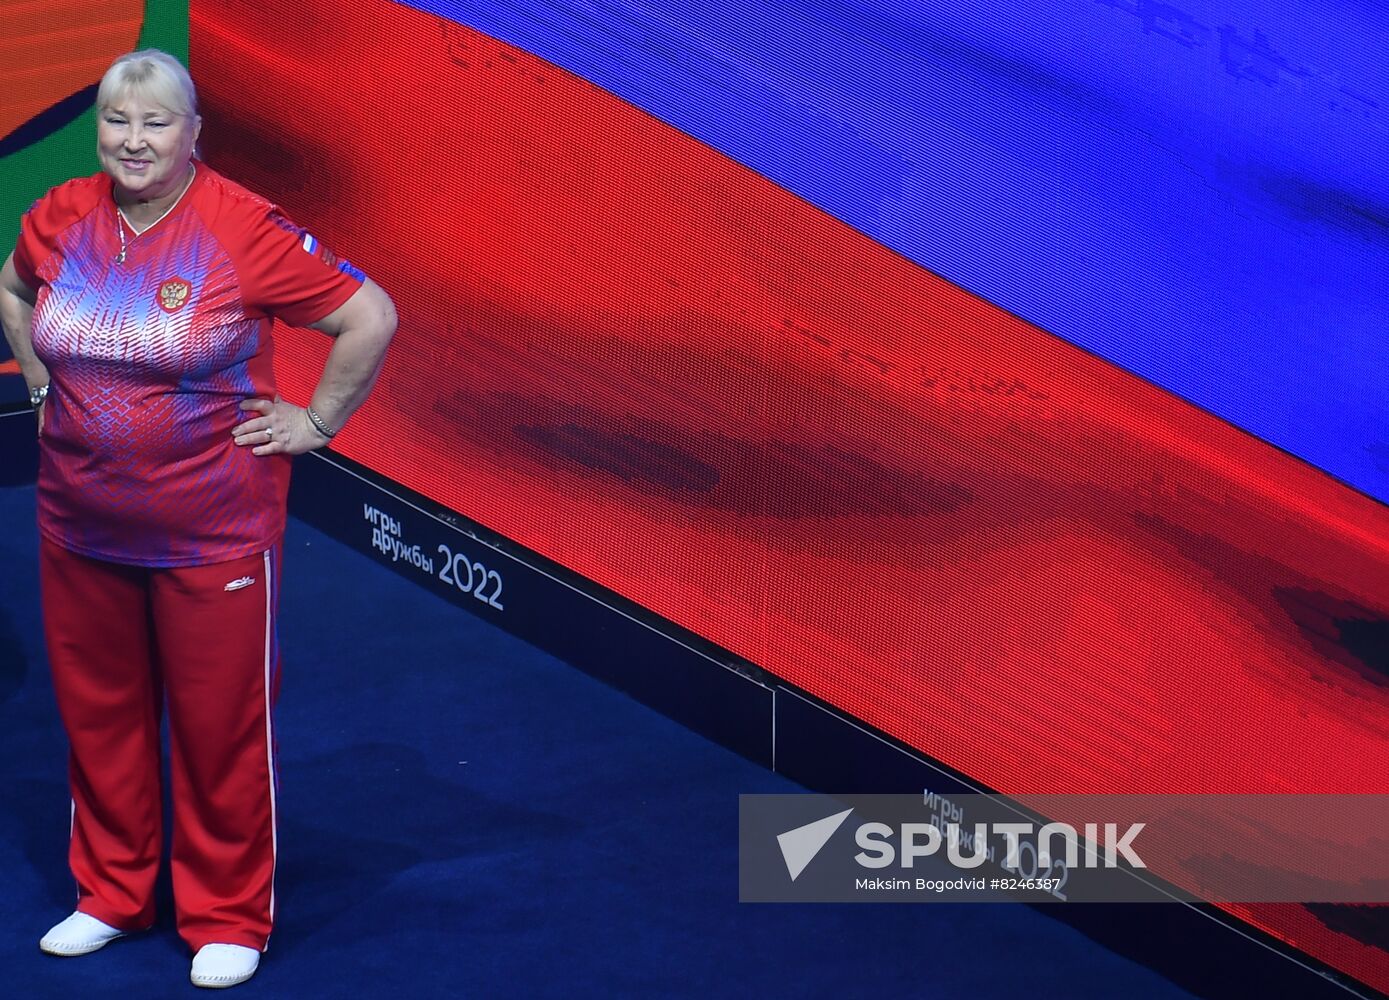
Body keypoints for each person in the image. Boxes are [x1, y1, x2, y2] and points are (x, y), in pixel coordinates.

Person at [0, 49, 396, 989]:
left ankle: (226, 914)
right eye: (116, 121)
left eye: (156, 123)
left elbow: (368, 316)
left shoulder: (241, 228)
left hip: (210, 529)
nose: (133, 141)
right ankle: (112, 894)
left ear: (192, 134)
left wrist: (320, 422)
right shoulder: (61, 215)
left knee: (220, 726)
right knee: (100, 719)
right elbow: (14, 289)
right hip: (78, 523)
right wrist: (41, 375)